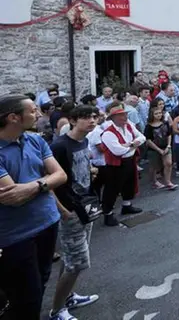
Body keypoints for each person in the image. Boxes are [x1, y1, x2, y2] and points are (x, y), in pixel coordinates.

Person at [0, 94, 68, 319]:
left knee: (41, 282)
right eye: (32, 111)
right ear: (13, 117)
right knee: (26, 296)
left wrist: (35, 187)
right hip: (16, 236)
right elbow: (13, 197)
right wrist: (45, 183)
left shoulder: (35, 140)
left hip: (47, 223)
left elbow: (61, 175)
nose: (38, 114)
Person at [49, 105, 101, 320]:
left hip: (86, 205)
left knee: (71, 261)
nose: (92, 120)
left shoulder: (84, 141)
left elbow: (76, 169)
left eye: (94, 116)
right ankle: (57, 310)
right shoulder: (60, 146)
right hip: (70, 210)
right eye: (85, 117)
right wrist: (63, 211)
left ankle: (68, 298)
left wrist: (89, 171)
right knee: (77, 263)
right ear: (72, 120)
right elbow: (51, 181)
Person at [99, 103, 145, 226]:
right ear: (113, 118)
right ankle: (107, 214)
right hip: (116, 165)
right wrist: (134, 145)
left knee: (130, 184)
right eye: (121, 116)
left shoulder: (129, 125)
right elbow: (118, 151)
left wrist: (129, 145)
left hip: (129, 160)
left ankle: (127, 206)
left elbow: (142, 137)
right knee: (112, 189)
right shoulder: (108, 133)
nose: (125, 118)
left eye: (125, 115)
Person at [144, 106, 177, 191]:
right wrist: (159, 150)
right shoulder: (149, 126)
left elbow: (169, 134)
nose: (158, 115)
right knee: (154, 166)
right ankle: (154, 181)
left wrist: (168, 146)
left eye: (159, 113)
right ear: (152, 115)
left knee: (168, 163)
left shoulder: (165, 123)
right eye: (156, 113)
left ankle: (168, 181)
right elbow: (148, 140)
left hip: (166, 146)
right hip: (154, 149)